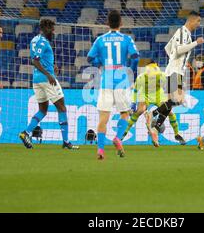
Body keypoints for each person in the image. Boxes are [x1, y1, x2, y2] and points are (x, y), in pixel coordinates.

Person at [87, 10, 140, 160]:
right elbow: (136, 56)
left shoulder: (100, 40)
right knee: (125, 113)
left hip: (106, 81)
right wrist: (130, 69)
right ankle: (117, 138)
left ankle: (101, 150)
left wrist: (100, 65)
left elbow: (90, 57)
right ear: (121, 23)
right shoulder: (126, 39)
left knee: (103, 118)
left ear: (107, 23)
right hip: (121, 81)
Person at [19, 19, 78, 150]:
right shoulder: (42, 42)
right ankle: (66, 142)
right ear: (45, 28)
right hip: (46, 80)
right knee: (62, 108)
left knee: (43, 110)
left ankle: (26, 133)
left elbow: (40, 59)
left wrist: (51, 67)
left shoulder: (35, 40)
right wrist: (48, 74)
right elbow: (35, 61)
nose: (53, 31)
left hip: (36, 80)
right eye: (51, 28)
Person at [150, 11, 204, 140]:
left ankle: (156, 125)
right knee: (178, 100)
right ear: (191, 20)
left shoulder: (185, 33)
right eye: (198, 21)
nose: (198, 24)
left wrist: (173, 59)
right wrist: (196, 43)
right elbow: (179, 49)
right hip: (175, 70)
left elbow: (168, 48)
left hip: (174, 69)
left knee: (170, 102)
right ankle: (153, 113)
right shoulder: (183, 31)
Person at [121, 61, 186, 147]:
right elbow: (136, 91)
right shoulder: (141, 78)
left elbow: (169, 87)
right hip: (145, 95)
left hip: (158, 95)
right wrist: (133, 103)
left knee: (170, 112)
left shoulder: (162, 76)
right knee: (139, 111)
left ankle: (177, 134)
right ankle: (124, 133)